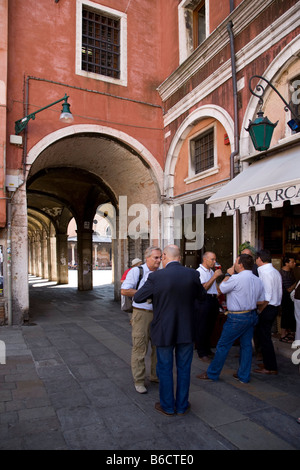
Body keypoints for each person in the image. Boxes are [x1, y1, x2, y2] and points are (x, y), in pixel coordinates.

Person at [134, 245, 206, 416]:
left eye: (162, 257)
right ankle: (181, 405)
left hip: (164, 329)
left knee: (164, 368)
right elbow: (202, 297)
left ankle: (167, 406)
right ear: (179, 258)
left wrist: (156, 295)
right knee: (184, 368)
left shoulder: (156, 277)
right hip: (186, 329)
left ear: (165, 256)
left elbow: (138, 297)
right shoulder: (192, 274)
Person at [197, 254, 265, 383]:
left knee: (223, 345)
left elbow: (220, 289)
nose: (234, 265)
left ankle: (212, 373)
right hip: (251, 314)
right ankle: (243, 376)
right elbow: (261, 300)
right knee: (246, 346)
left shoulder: (235, 278)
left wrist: (228, 275)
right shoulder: (257, 280)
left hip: (237, 316)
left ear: (240, 265)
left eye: (235, 262)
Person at [121, 246, 162, 394]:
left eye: (160, 257)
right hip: (141, 313)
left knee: (158, 347)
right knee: (140, 346)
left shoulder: (161, 273)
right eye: (156, 257)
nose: (159, 260)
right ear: (147, 258)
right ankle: (139, 380)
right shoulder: (137, 271)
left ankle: (155, 375)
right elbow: (124, 290)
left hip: (158, 314)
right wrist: (145, 293)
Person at [254, 249, 282, 375]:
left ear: (260, 259)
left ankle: (270, 367)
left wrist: (260, 310)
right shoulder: (275, 271)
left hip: (268, 307)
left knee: (265, 338)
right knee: (264, 337)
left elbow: (267, 297)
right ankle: (267, 362)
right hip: (274, 307)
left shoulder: (266, 273)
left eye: (256, 259)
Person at [195, 252, 223, 362]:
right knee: (202, 326)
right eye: (212, 259)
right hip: (203, 300)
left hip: (212, 300)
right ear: (205, 259)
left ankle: (207, 349)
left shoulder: (212, 271)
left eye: (215, 259)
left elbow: (216, 288)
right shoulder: (199, 272)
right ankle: (201, 352)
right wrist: (215, 276)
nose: (214, 262)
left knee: (210, 326)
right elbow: (203, 288)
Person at [279, 256, 296, 343]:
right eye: (292, 262)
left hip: (291, 298)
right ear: (287, 263)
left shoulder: (291, 272)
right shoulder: (283, 274)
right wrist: (296, 284)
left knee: (290, 315)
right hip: (285, 297)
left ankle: (288, 332)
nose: (294, 263)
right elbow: (288, 289)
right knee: (285, 314)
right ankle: (283, 334)